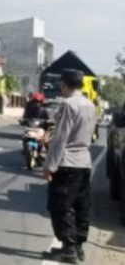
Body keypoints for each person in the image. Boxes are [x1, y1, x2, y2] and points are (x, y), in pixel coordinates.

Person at [41, 69, 98, 264]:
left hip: (67, 163)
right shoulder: (90, 105)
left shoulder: (68, 104)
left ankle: (69, 248)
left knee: (61, 206)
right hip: (84, 162)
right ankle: (78, 246)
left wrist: (49, 165)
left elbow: (61, 137)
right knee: (80, 205)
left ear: (65, 84)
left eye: (61, 84)